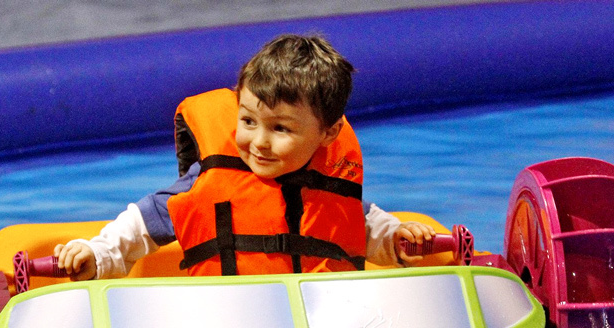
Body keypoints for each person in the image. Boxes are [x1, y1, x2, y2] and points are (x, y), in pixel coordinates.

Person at [55, 34, 435, 281]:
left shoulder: (334, 189)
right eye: (248, 121)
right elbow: (139, 226)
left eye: (281, 129)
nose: (259, 142)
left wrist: (399, 240)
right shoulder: (208, 180)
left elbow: (367, 229)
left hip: (320, 327)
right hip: (229, 327)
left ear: (329, 133)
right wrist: (96, 254)